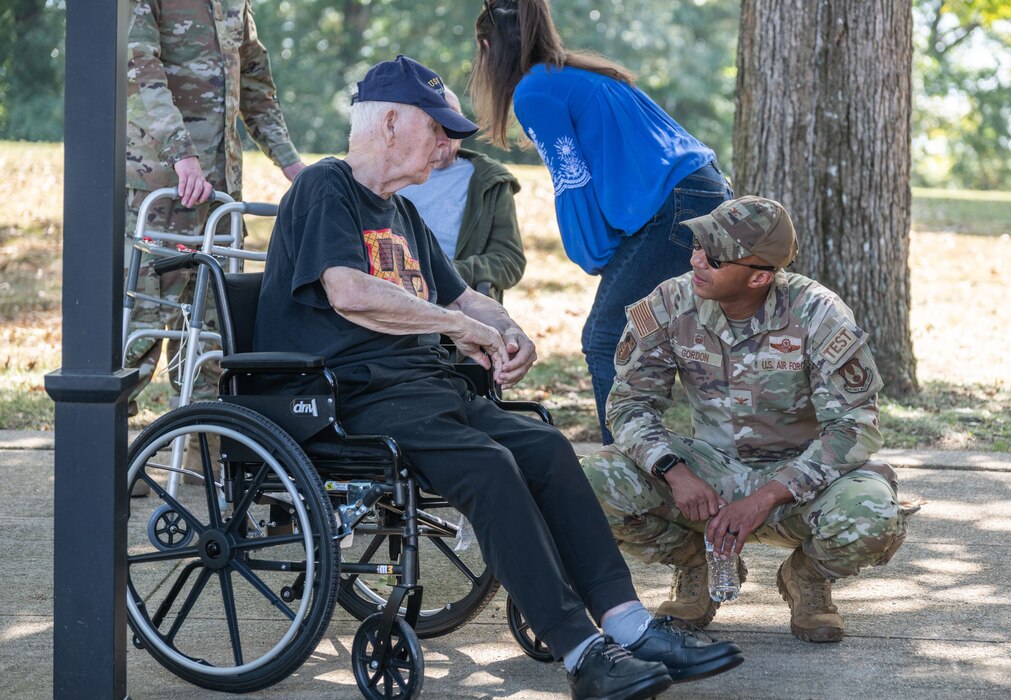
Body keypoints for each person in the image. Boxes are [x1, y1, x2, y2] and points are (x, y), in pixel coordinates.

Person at [254, 55, 743, 700]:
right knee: (489, 466)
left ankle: (629, 625)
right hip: (347, 395)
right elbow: (348, 292)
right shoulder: (326, 188)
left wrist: (508, 332)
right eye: (439, 130)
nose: (449, 145)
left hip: (424, 389)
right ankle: (580, 652)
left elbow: (464, 301)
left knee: (545, 447)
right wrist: (461, 330)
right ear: (392, 122)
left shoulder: (401, 212)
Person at [582, 196, 908, 644]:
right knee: (591, 482)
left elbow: (855, 424)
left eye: (713, 257)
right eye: (697, 246)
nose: (696, 260)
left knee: (873, 514)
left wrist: (769, 496)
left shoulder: (817, 313)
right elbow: (628, 403)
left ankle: (807, 578)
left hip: (799, 481)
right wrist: (671, 471)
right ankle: (695, 562)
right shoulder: (670, 302)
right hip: (708, 474)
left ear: (759, 276)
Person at [471, 0, 733, 444]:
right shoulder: (581, 74)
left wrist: (592, 253)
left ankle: (629, 471)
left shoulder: (534, 92)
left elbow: (571, 180)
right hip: (704, 191)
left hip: (675, 204)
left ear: (486, 47)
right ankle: (684, 455)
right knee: (675, 335)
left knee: (605, 336)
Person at [124, 0, 304, 412]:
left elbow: (255, 86)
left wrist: (292, 164)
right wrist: (181, 154)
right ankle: (102, 467)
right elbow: (138, 67)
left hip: (220, 195)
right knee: (140, 332)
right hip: (161, 190)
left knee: (213, 340)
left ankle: (199, 465)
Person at [398, 87, 526, 303]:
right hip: (396, 291)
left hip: (458, 297)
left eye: (453, 119)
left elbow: (509, 261)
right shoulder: (392, 177)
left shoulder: (489, 181)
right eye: (437, 121)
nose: (447, 131)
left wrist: (447, 273)